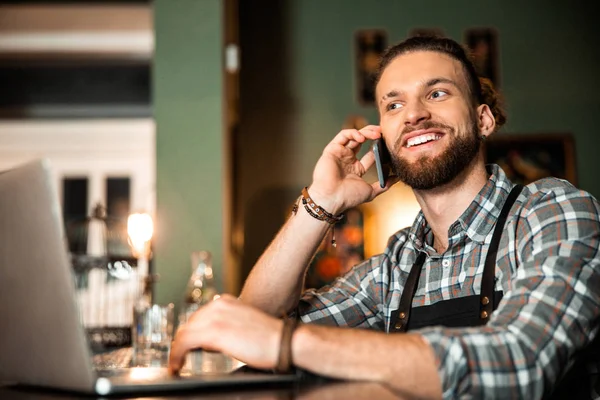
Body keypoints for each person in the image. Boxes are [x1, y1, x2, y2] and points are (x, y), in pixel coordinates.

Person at [169, 36, 600, 399]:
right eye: (393, 105)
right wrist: (323, 201)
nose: (413, 115)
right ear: (383, 139)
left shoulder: (551, 211)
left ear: (483, 119)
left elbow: (521, 363)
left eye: (437, 93)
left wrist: (286, 344)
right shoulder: (396, 265)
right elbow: (255, 329)